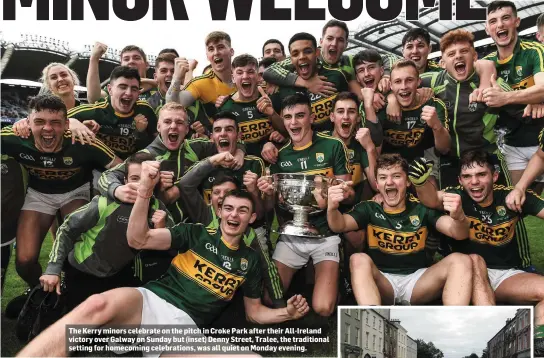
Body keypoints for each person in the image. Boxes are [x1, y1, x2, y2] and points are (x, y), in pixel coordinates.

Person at [18, 166, 310, 357]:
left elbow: (255, 313)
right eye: (228, 209)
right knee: (95, 305)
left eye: (242, 211)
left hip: (181, 329)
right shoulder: (194, 234)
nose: (233, 215)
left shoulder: (250, 261)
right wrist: (145, 191)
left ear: (252, 217)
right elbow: (138, 240)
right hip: (149, 301)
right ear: (219, 212)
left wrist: (288, 314)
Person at [1, 95, 122, 316]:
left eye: (55, 123)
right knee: (25, 260)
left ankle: (73, 292)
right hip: (39, 195)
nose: (48, 129)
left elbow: (121, 167)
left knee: (76, 251)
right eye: (39, 122)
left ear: (66, 125)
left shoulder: (83, 140)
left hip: (75, 193)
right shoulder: (14, 138)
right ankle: (41, 292)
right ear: (28, 122)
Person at [408, 150, 544, 319]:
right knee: (474, 259)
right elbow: (432, 199)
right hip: (465, 274)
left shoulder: (509, 197)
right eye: (467, 176)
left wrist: (520, 190)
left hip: (505, 275)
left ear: (494, 176)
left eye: (481, 174)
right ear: (460, 180)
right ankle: (488, 324)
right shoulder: (457, 196)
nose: (474, 182)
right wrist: (420, 184)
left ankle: (539, 341)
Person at [327, 153, 473, 305]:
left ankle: (453, 324)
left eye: (396, 176)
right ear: (376, 184)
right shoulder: (369, 208)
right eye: (383, 178)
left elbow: (459, 233)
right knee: (358, 259)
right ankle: (374, 316)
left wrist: (459, 217)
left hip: (417, 282)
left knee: (461, 260)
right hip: (382, 282)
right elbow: (339, 225)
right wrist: (332, 208)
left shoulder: (421, 208)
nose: (389, 182)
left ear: (408, 181)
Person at [257, 93, 352, 317]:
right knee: (270, 299)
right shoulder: (278, 156)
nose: (293, 122)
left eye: (300, 116)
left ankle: (336, 281)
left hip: (325, 232)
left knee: (323, 307)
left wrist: (331, 192)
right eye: (288, 117)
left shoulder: (333, 146)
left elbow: (349, 192)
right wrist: (267, 192)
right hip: (293, 234)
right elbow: (271, 207)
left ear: (311, 118)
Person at [40, 152, 173, 310]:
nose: (140, 184)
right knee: (79, 326)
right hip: (82, 271)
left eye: (146, 178)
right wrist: (53, 269)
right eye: (135, 178)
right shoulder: (103, 203)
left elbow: (171, 250)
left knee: (115, 327)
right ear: (125, 180)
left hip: (120, 274)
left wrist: (161, 229)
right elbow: (67, 229)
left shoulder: (159, 211)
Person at [176, 153, 285, 308]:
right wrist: (212, 160)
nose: (221, 197)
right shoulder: (204, 214)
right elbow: (185, 185)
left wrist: (280, 304)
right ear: (210, 197)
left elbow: (267, 267)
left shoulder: (247, 231)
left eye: (227, 193)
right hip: (194, 283)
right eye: (216, 192)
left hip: (229, 289)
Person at [483, 1, 544, 190]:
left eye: (506, 18)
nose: (499, 25)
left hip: (541, 139)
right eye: (493, 21)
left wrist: (506, 98)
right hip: (512, 146)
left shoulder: (534, 51)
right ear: (487, 29)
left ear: (517, 22)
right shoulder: (486, 63)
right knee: (518, 203)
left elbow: (543, 88)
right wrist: (530, 96)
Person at [268, 32, 353, 133]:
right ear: (291, 59)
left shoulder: (336, 76)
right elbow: (287, 131)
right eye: (295, 54)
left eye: (307, 51)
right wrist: (307, 83)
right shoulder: (283, 88)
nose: (302, 57)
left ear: (317, 52)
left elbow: (352, 111)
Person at [68, 66, 158, 160]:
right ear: (110, 89)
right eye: (123, 87)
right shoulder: (92, 111)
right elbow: (57, 119)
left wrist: (140, 133)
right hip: (97, 170)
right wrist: (72, 122)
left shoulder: (145, 110)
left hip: (134, 167)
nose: (128, 93)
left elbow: (158, 143)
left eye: (134, 89)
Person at [166, 31, 236, 135]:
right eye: (211, 49)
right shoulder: (201, 83)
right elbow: (172, 104)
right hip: (219, 141)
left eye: (220, 47)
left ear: (231, 52)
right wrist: (176, 77)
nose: (216, 52)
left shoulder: (245, 77)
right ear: (207, 56)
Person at [86, 44, 155, 103]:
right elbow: (94, 98)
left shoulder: (158, 87)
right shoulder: (115, 88)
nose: (131, 61)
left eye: (136, 58)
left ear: (147, 65)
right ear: (121, 66)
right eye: (126, 59)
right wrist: (94, 59)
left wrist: (154, 83)